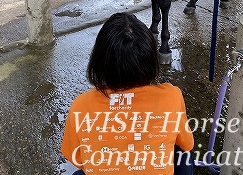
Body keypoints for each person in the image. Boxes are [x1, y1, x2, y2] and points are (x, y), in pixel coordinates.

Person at [61, 12, 195, 174]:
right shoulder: (172, 96)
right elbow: (187, 144)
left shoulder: (81, 105)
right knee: (183, 153)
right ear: (151, 60)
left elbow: (78, 160)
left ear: (99, 62)